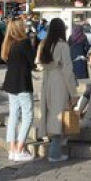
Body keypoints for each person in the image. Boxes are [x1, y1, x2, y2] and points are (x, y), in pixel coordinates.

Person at [36, 18, 78, 162]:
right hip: (58, 81)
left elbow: (39, 64)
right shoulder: (62, 45)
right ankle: (54, 153)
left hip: (46, 80)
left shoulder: (44, 44)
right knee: (59, 115)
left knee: (50, 114)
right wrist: (73, 92)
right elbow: (68, 69)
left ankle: (54, 150)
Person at [0, 18, 36, 162]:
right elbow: (32, 60)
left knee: (13, 115)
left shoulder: (8, 44)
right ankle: (20, 149)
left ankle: (12, 148)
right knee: (28, 115)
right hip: (22, 83)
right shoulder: (24, 43)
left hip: (10, 83)